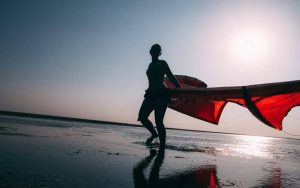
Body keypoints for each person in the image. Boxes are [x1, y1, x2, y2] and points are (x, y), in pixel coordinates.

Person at [138, 44, 181, 147]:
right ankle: (154, 134)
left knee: (159, 121)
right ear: (150, 51)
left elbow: (171, 77)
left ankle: (162, 146)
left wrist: (180, 89)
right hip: (150, 94)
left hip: (162, 95)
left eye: (158, 50)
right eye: (154, 49)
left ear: (160, 52)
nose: (155, 51)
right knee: (142, 117)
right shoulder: (150, 65)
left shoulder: (163, 63)